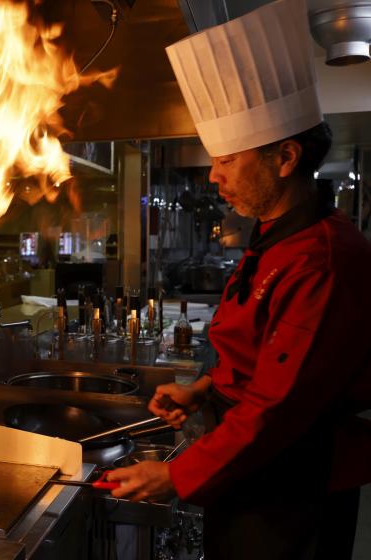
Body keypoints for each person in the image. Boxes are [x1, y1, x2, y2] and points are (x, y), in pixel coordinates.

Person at [104, 1, 371, 558]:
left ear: (285, 158)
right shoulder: (275, 238)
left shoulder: (322, 257)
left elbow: (278, 405)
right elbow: (253, 360)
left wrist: (175, 476)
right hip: (257, 474)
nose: (214, 176)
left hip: (294, 489)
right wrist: (203, 389)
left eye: (226, 159)